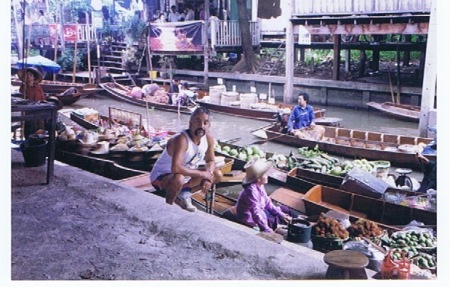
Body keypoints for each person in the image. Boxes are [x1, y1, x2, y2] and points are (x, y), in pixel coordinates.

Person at [149, 107, 222, 212]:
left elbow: (210, 160)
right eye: (197, 121)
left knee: (217, 174)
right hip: (162, 177)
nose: (201, 126)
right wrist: (202, 174)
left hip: (186, 176)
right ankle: (168, 208)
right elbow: (176, 168)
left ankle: (183, 193)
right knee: (178, 178)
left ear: (209, 125)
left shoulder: (208, 138)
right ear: (190, 123)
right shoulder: (181, 139)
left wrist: (208, 175)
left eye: (205, 123)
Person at [234, 158, 293, 233]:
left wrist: (281, 214)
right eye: (265, 174)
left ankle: (298, 219)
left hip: (262, 211)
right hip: (251, 219)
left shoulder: (260, 185)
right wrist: (267, 229)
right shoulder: (251, 191)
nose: (267, 175)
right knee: (275, 221)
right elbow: (256, 213)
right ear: (259, 179)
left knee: (285, 210)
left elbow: (268, 203)